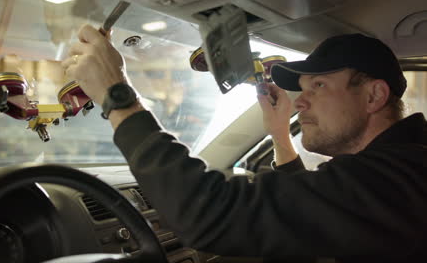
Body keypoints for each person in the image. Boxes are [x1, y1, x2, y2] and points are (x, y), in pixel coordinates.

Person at [62, 25, 427, 262]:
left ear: (373, 95)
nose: (300, 101)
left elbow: (210, 213)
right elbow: (311, 212)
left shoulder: (398, 179)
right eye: (302, 89)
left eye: (318, 85)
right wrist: (280, 136)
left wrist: (117, 96)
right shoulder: (397, 172)